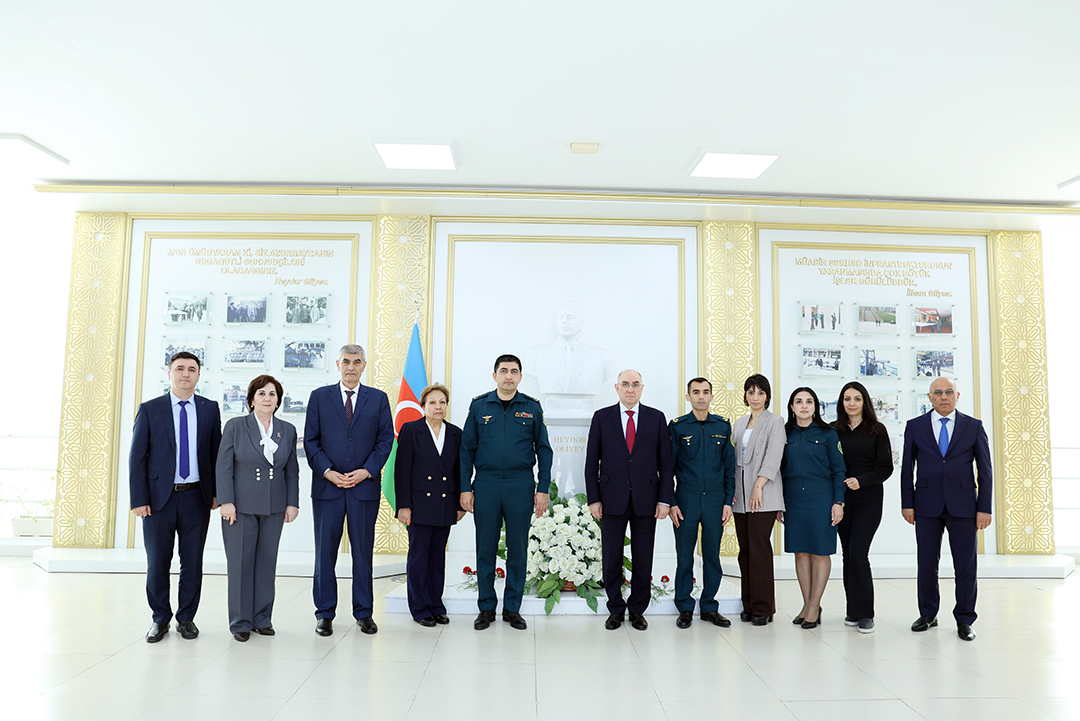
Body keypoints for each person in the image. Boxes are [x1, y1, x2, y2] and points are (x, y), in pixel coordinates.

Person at [129, 351, 222, 643]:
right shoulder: (150, 409)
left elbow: (215, 454)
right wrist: (138, 499)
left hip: (197, 497)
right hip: (158, 500)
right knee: (158, 562)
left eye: (191, 369)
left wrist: (217, 493)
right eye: (179, 369)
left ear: (198, 375)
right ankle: (160, 619)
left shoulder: (209, 408)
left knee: (192, 562)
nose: (185, 374)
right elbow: (137, 458)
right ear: (169, 374)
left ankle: (186, 618)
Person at [304, 344, 394, 637]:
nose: (351, 366)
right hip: (327, 489)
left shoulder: (378, 399)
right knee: (324, 554)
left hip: (363, 488)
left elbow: (384, 441)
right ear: (337, 364)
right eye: (346, 361)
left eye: (357, 362)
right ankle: (325, 613)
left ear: (364, 365)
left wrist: (366, 471)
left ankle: (364, 612)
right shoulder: (319, 397)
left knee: (363, 553)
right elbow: (311, 442)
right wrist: (328, 472)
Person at [460, 354, 552, 631]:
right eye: (503, 371)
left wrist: (543, 488)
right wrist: (465, 487)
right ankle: (486, 607)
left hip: (520, 484)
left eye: (514, 371)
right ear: (495, 376)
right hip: (486, 484)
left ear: (521, 377)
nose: (508, 376)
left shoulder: (532, 408)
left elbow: (544, 450)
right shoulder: (478, 406)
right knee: (485, 548)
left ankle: (512, 607)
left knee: (518, 550)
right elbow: (466, 450)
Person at [901, 377, 992, 641]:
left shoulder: (973, 427)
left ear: (957, 395)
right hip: (926, 505)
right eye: (938, 393)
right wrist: (907, 503)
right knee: (927, 562)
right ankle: (928, 613)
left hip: (964, 505)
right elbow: (907, 469)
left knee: (966, 565)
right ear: (929, 397)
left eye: (949, 392)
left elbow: (984, 470)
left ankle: (965, 619)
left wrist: (983, 507)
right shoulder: (915, 426)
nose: (944, 397)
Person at [584, 369, 673, 631]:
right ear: (616, 388)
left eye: (635, 384)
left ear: (642, 388)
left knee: (643, 557)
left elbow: (666, 465)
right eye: (625, 384)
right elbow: (591, 463)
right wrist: (594, 498)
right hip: (611, 498)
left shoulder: (656, 418)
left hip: (647, 498)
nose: (630, 389)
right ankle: (615, 608)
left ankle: (637, 609)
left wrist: (664, 499)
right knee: (611, 556)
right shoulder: (602, 417)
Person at [216, 375, 300, 641]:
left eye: (272, 394)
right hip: (239, 507)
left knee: (266, 563)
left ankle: (262, 617)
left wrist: (292, 503)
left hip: (274, 506)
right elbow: (224, 466)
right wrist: (226, 501)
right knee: (241, 564)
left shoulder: (287, 429)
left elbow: (292, 471)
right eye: (262, 394)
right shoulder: (235, 426)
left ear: (278, 400)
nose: (267, 398)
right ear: (251, 399)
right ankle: (241, 622)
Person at [394, 383, 466, 627]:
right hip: (418, 505)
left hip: (445, 505)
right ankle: (419, 608)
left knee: (437, 559)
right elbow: (401, 471)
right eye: (433, 402)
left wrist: (460, 505)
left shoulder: (456, 433)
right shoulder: (411, 430)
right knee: (418, 559)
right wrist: (403, 505)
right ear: (423, 406)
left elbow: (459, 471)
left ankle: (436, 604)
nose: (438, 406)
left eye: (442, 402)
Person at [668, 377, 735, 629]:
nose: (701, 396)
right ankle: (685, 606)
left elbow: (730, 467)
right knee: (684, 556)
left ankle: (709, 606)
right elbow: (667, 469)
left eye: (705, 392)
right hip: (686, 498)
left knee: (712, 556)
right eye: (695, 392)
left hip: (716, 500)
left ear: (711, 396)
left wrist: (728, 501)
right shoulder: (677, 427)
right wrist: (672, 502)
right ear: (688, 397)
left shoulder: (722, 426)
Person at [782, 387, 846, 630]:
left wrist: (838, 502)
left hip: (822, 498)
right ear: (792, 407)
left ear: (815, 407)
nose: (804, 406)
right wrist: (779, 502)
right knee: (800, 552)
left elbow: (839, 469)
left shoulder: (828, 434)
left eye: (809, 402)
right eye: (798, 401)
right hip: (794, 500)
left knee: (820, 552)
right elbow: (778, 470)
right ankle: (808, 604)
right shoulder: (785, 433)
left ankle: (814, 605)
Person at [833, 382, 893, 634]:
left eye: (857, 399)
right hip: (842, 501)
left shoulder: (877, 430)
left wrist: (862, 480)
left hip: (868, 499)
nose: (852, 404)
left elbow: (886, 467)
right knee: (848, 555)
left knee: (859, 554)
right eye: (847, 399)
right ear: (841, 403)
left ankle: (866, 613)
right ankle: (853, 610)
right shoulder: (834, 430)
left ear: (865, 402)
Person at [731, 374, 786, 626]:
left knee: (760, 549)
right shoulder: (739, 423)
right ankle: (749, 604)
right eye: (751, 392)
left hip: (763, 495)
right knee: (746, 552)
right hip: (740, 497)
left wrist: (758, 486)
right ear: (745, 395)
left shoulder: (775, 421)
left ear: (767, 396)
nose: (755, 397)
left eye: (760, 393)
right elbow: (734, 462)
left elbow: (774, 457)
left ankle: (764, 607)